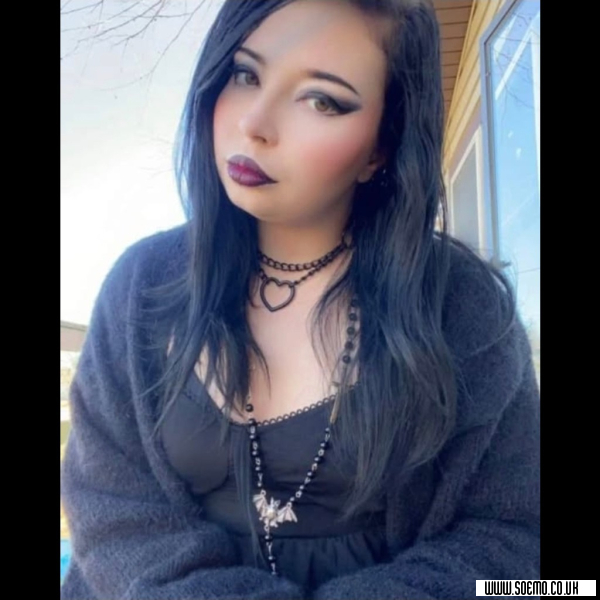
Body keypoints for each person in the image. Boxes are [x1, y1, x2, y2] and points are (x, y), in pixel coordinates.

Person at [60, 0, 540, 598]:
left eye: (322, 100)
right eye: (245, 74)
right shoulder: (140, 286)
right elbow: (112, 511)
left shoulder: (464, 309)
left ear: (380, 147)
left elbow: (507, 536)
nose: (255, 123)